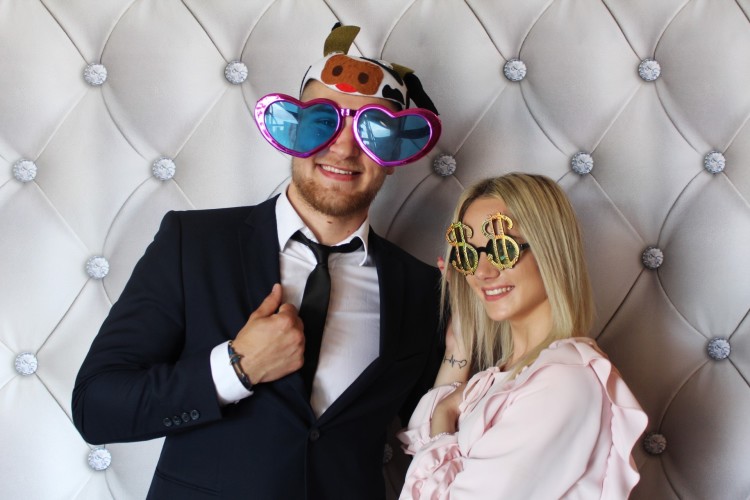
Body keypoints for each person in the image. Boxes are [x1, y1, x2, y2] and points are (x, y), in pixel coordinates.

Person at [72, 24, 445, 499]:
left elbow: (437, 437)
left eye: (372, 131)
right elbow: (97, 406)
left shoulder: (423, 290)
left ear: (393, 155)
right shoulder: (194, 245)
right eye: (322, 122)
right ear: (293, 129)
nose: (344, 147)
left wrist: (472, 339)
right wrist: (236, 368)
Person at [398, 173, 648, 499]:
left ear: (550, 250)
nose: (482, 272)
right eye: (468, 253)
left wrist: (446, 413)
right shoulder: (507, 377)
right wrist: (459, 347)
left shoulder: (563, 381)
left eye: (503, 248)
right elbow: (422, 443)